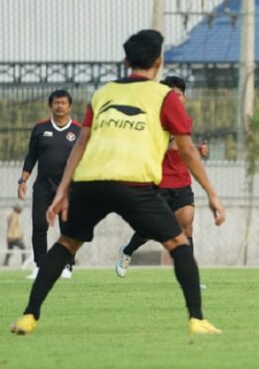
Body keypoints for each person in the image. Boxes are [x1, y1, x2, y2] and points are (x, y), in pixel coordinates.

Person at [9, 29, 226, 336]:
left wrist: (63, 191)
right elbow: (188, 149)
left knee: (66, 244)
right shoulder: (165, 96)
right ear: (159, 61)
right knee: (179, 242)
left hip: (90, 181)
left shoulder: (103, 93)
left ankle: (29, 316)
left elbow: (81, 144)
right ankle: (196, 319)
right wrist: (213, 194)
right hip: (133, 183)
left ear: (125, 61)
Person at [115, 75, 209, 278]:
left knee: (187, 225)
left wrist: (196, 151)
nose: (176, 99)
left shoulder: (185, 120)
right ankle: (127, 251)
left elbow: (182, 148)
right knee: (150, 229)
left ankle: (190, 276)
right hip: (157, 181)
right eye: (171, 95)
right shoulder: (150, 119)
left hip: (181, 181)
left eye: (179, 95)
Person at [18, 89, 81, 280]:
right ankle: (39, 266)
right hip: (43, 187)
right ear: (51, 105)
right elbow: (31, 157)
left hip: (68, 189)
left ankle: (67, 266)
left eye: (63, 103)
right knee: (39, 225)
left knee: (68, 228)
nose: (59, 106)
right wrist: (23, 180)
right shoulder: (40, 128)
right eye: (56, 103)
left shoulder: (78, 130)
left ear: (69, 106)